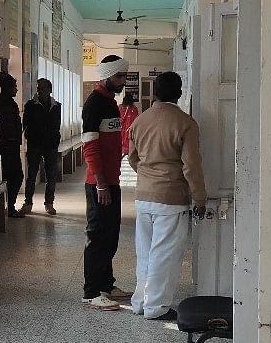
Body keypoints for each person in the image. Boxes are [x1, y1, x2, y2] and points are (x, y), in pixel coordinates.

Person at [127, 72, 207, 321]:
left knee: (145, 252)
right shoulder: (185, 123)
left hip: (143, 197)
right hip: (170, 199)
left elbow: (132, 158)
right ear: (180, 92)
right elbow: (191, 166)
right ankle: (157, 307)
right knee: (164, 255)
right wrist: (200, 199)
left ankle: (140, 302)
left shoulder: (140, 121)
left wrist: (149, 177)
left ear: (155, 92)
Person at [81, 55, 133, 311]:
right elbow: (89, 147)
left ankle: (106, 284)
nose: (123, 81)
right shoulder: (94, 104)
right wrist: (101, 183)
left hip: (112, 181)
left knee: (111, 234)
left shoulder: (112, 104)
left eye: (124, 76)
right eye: (119, 76)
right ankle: (91, 292)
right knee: (97, 235)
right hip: (98, 183)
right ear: (107, 76)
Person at [21, 77, 63, 216]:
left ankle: (49, 203)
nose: (39, 91)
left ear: (49, 90)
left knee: (51, 176)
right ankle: (28, 203)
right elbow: (25, 124)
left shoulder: (56, 106)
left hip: (51, 145)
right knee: (32, 175)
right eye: (38, 88)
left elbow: (57, 125)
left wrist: (56, 140)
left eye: (43, 88)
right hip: (35, 145)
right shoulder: (31, 105)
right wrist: (29, 138)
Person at [0, 71, 26, 218]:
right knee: (15, 176)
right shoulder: (5, 103)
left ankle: (9, 205)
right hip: (8, 143)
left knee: (13, 176)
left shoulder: (6, 102)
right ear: (8, 87)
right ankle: (9, 206)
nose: (17, 89)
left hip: (10, 142)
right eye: (15, 87)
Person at [120, 91, 141, 158]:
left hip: (120, 129)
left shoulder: (119, 108)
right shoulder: (134, 109)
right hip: (130, 130)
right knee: (129, 144)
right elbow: (136, 120)